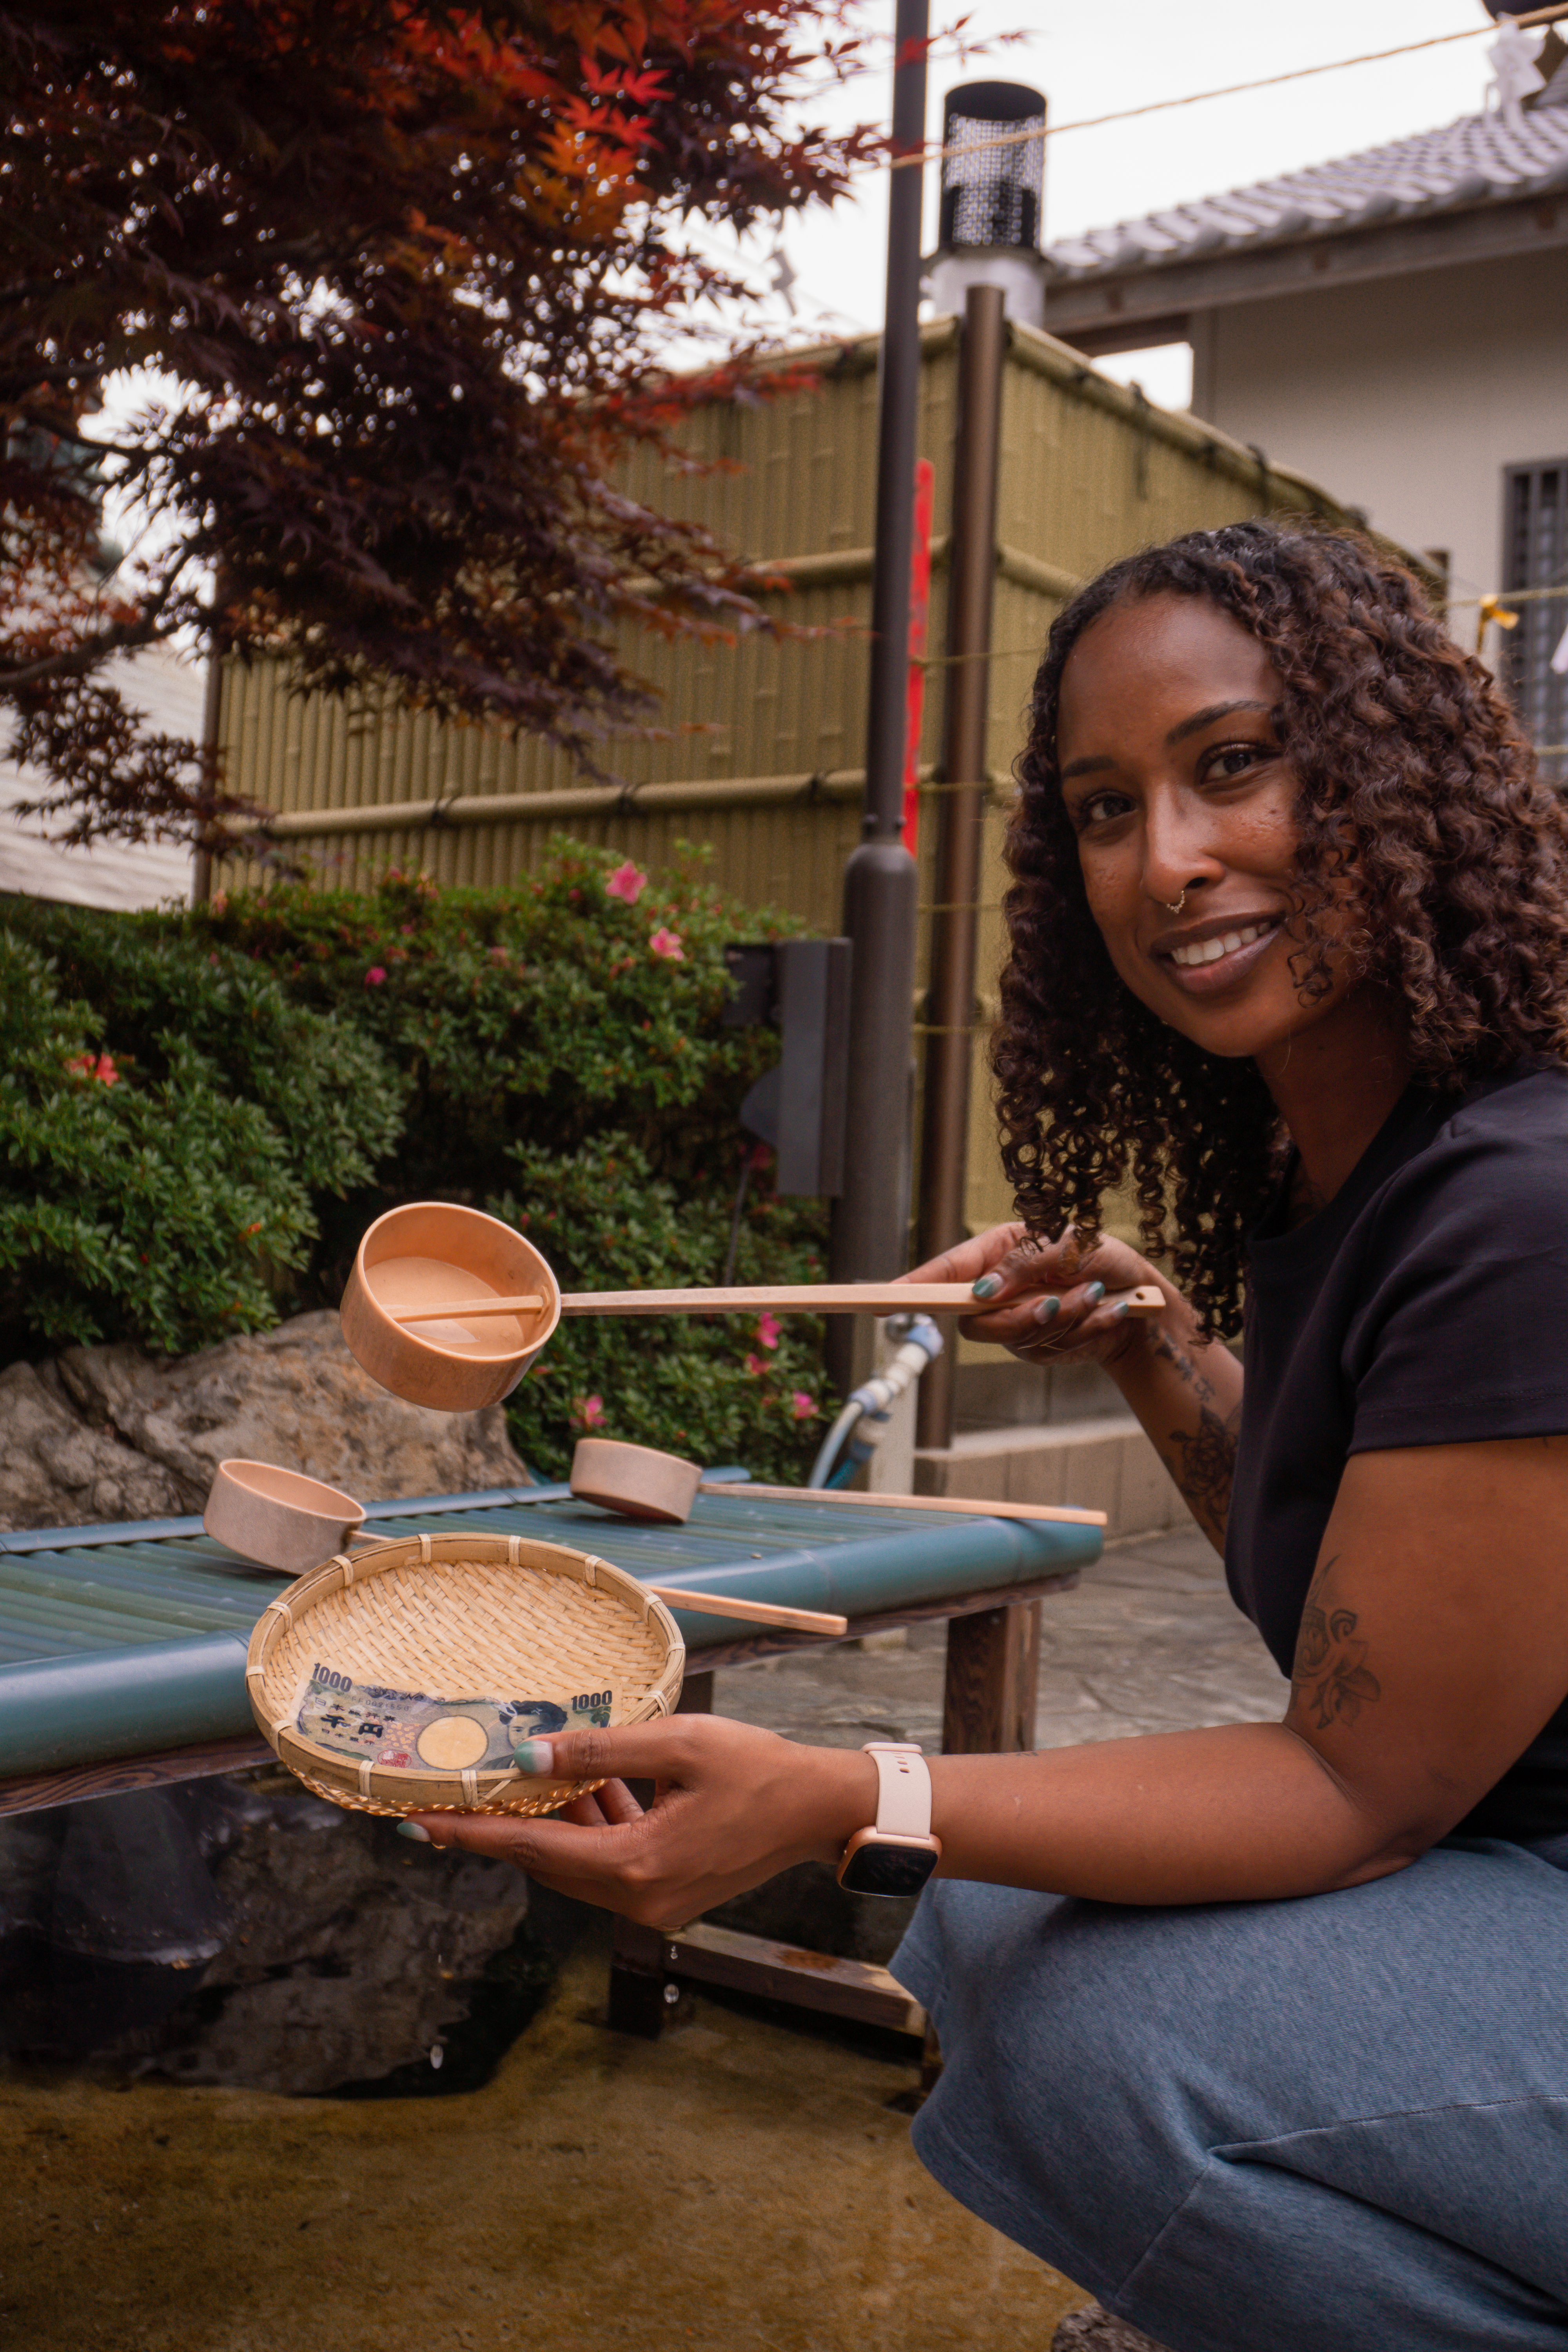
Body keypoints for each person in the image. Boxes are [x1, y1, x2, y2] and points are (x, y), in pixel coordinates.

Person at [406, 524, 1568, 2350]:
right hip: (1503, 1876)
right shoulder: (1353, 1166)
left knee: (1099, 2041)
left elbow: (1359, 1787)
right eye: (1107, 810)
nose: (1170, 863)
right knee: (983, 1930)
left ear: (1387, 769)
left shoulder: (1519, 1198)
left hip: (1518, 1889)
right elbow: (1357, 1557)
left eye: (1234, 764)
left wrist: (847, 1789)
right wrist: (1145, 1343)